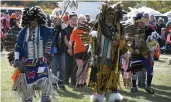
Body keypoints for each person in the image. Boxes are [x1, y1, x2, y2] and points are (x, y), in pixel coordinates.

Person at [12, 6, 57, 102]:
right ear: (27, 20)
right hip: (26, 63)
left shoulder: (46, 30)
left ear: (39, 19)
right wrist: (16, 60)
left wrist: (47, 54)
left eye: (35, 20)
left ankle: (45, 98)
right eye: (31, 20)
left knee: (44, 79)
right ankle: (28, 98)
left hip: (41, 61)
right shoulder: (23, 32)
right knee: (27, 88)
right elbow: (18, 46)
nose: (33, 23)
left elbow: (50, 42)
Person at [90, 2, 126, 102]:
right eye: (108, 14)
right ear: (104, 15)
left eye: (112, 15)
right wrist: (93, 39)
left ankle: (114, 96)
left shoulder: (119, 27)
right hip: (100, 55)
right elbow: (91, 37)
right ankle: (99, 95)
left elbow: (124, 40)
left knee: (114, 74)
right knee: (101, 75)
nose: (110, 17)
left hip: (113, 56)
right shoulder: (98, 25)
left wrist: (119, 42)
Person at [125, 12, 156, 94]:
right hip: (136, 54)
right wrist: (133, 51)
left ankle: (148, 86)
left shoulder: (149, 30)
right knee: (134, 69)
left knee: (150, 69)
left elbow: (154, 43)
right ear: (137, 22)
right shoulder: (131, 31)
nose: (143, 23)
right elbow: (128, 44)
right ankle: (134, 86)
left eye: (144, 22)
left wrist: (152, 52)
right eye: (141, 22)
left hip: (147, 54)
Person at [69, 15, 89, 88]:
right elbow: (71, 41)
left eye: (84, 19)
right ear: (78, 21)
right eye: (81, 19)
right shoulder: (75, 30)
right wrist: (69, 48)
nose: (83, 21)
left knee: (85, 68)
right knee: (80, 67)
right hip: (77, 50)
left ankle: (83, 82)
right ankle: (78, 83)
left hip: (86, 51)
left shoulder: (87, 30)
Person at [63, 13, 78, 85]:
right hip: (68, 52)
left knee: (75, 68)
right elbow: (64, 41)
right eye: (73, 19)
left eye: (76, 19)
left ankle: (73, 82)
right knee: (67, 67)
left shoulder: (79, 30)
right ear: (69, 20)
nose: (75, 21)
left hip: (77, 51)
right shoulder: (65, 30)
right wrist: (68, 50)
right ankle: (65, 81)